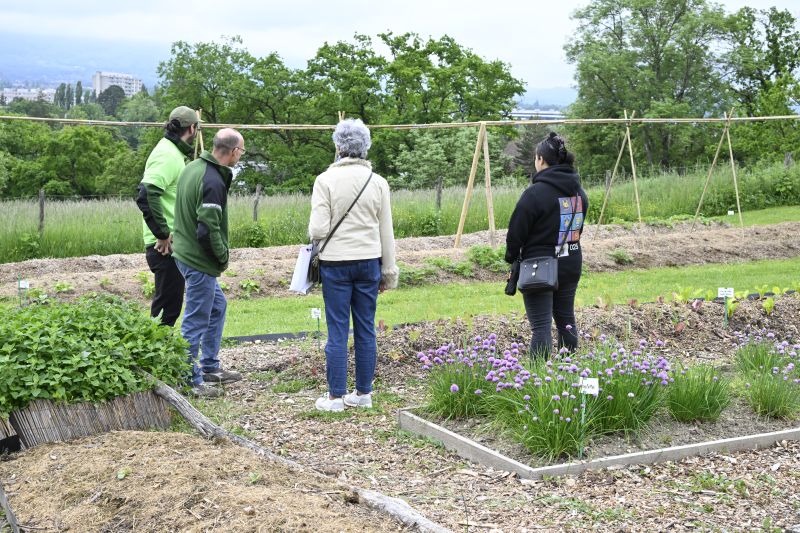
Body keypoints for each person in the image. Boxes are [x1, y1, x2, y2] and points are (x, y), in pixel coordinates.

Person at [309, 118, 399, 412]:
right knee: (365, 328)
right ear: (365, 147)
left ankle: (335, 396)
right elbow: (387, 231)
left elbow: (318, 230)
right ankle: (363, 393)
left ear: (338, 146)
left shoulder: (325, 180)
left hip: (335, 263)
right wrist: (388, 271)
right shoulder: (378, 183)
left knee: (337, 330)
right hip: (369, 262)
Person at [171, 128, 245, 397]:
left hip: (183, 253)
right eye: (242, 151)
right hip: (198, 260)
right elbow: (207, 229)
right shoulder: (212, 180)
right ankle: (189, 381)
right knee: (195, 321)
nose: (241, 155)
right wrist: (222, 256)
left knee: (217, 306)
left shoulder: (192, 167)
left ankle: (210, 366)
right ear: (234, 151)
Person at [505, 132, 588, 360]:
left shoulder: (534, 194)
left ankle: (538, 383)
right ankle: (567, 373)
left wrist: (511, 257)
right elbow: (577, 229)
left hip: (538, 267)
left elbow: (515, 234)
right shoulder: (579, 193)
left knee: (540, 327)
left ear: (541, 160)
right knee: (566, 323)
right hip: (571, 262)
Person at [135, 106, 198, 327]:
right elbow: (146, 193)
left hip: (172, 243)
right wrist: (162, 234)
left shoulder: (173, 152)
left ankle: (159, 355)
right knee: (165, 312)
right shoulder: (168, 155)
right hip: (165, 245)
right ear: (192, 128)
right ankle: (155, 359)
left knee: (169, 307)